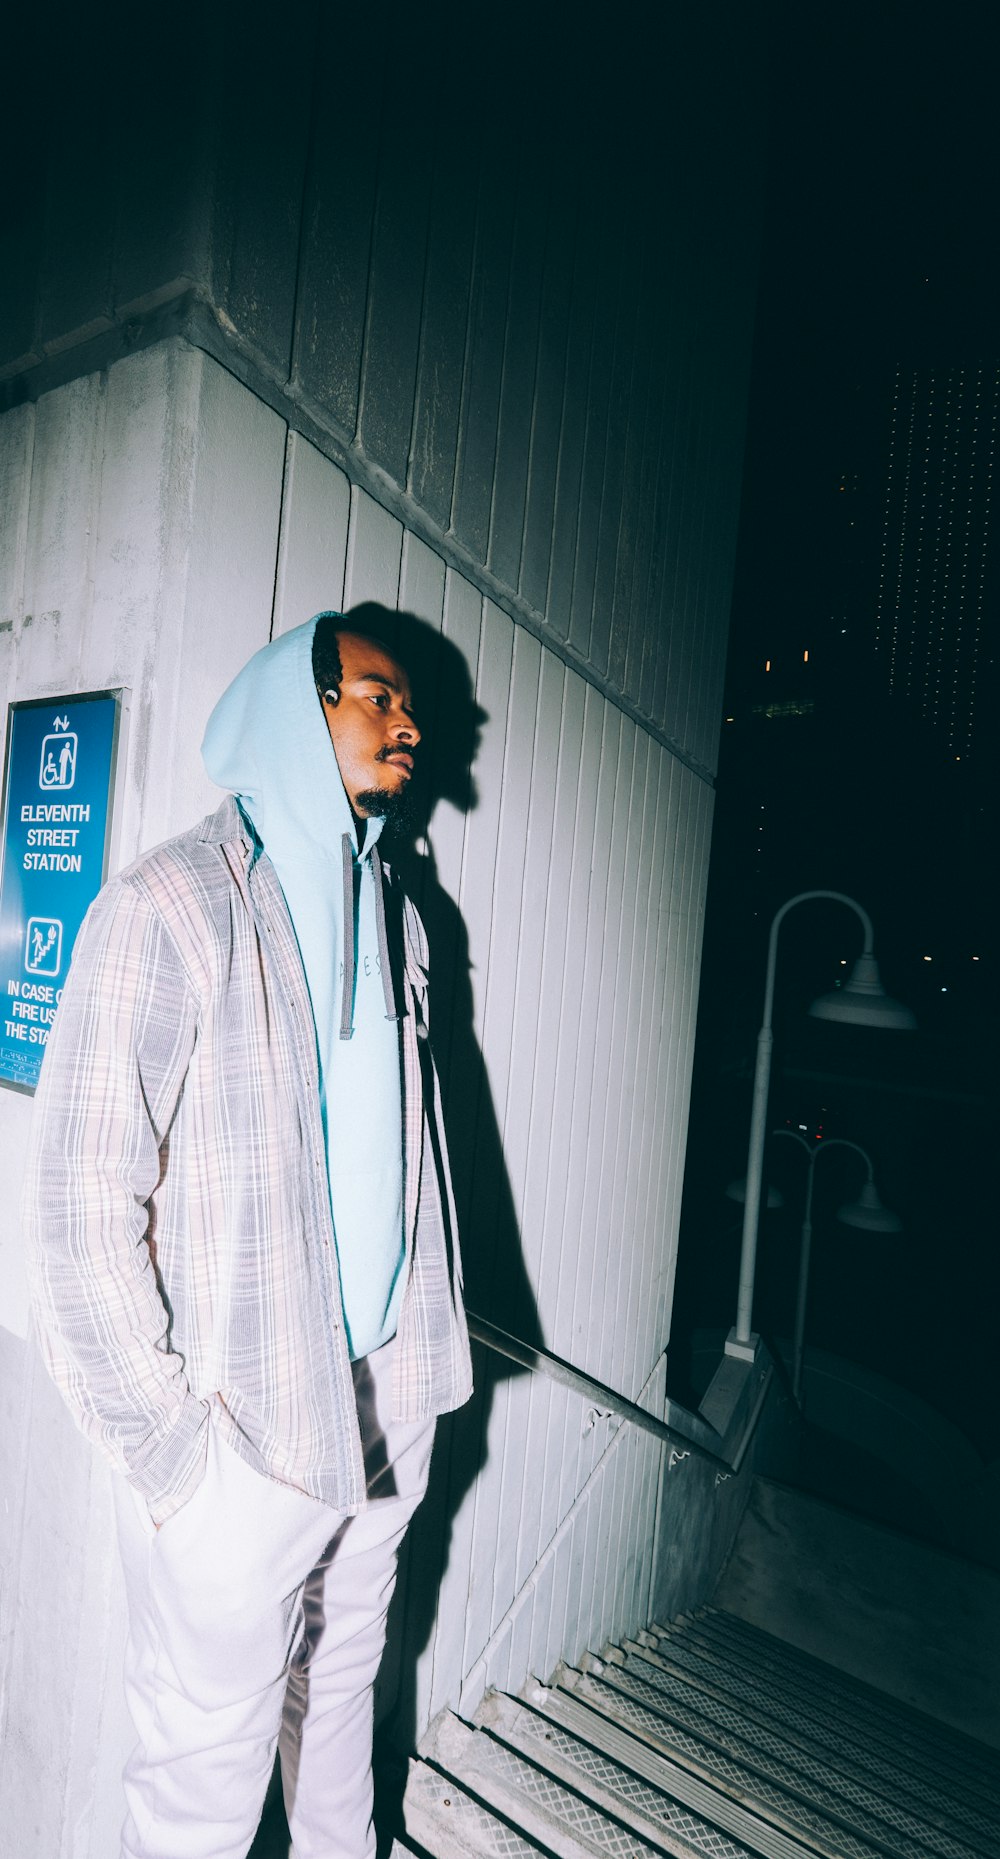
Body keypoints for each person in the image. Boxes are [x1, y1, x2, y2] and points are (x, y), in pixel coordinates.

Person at [24, 611, 473, 1859]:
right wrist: (178, 1462)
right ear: (300, 700)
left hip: (386, 1408)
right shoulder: (168, 904)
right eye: (380, 695)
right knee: (195, 1799)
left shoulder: (401, 914)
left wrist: (417, 1393)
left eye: (411, 705)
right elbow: (73, 1204)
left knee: (339, 1721)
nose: (411, 725)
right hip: (245, 1429)